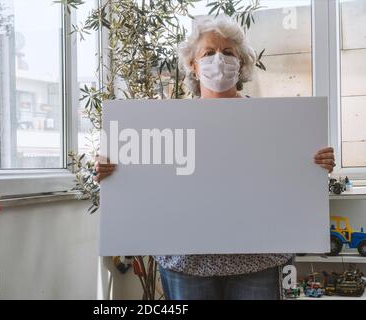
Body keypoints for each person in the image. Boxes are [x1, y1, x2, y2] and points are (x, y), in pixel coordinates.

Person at [94, 14, 335, 300]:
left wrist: (316, 165)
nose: (218, 59)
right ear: (193, 67)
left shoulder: (276, 123)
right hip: (186, 262)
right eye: (208, 53)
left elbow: (287, 179)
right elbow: (151, 182)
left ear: (242, 63)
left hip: (259, 260)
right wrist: (112, 172)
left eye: (228, 52)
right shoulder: (164, 124)